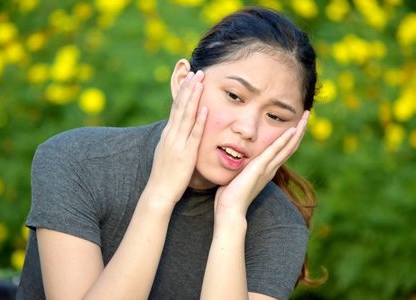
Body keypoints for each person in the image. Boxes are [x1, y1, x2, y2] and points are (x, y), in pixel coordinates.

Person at [17, 6, 319, 300]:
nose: (248, 129)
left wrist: (230, 219)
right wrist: (159, 195)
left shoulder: (279, 224)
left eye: (276, 117)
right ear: (183, 82)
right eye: (234, 96)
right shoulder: (76, 162)